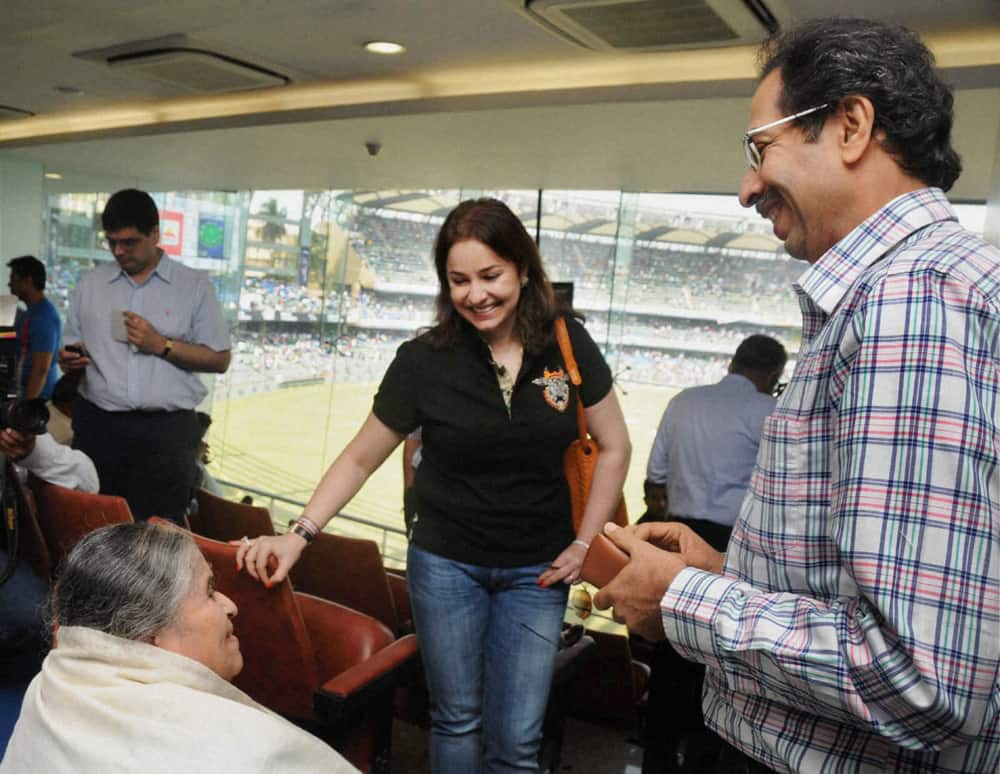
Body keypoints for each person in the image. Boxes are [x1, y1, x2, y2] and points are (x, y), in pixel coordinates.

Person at [594, 17, 999, 774]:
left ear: (851, 125)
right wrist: (725, 573)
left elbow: (922, 680)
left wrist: (684, 600)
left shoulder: (911, 303)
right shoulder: (902, 295)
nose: (747, 186)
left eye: (760, 148)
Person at [237, 198, 631, 772]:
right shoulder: (423, 359)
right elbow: (359, 457)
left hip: (537, 571)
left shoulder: (566, 342)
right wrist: (299, 533)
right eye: (459, 280)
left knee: (517, 740)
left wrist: (583, 543)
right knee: (456, 719)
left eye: (491, 276)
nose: (476, 295)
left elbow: (615, 445)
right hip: (446, 566)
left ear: (523, 268)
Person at [0, 521, 356, 773]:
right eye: (210, 591)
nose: (230, 605)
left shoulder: (50, 685)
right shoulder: (248, 751)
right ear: (151, 632)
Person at [639, 334, 785, 772]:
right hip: (732, 548)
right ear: (774, 374)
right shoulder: (770, 411)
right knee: (719, 666)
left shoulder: (685, 400)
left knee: (669, 657)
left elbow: (654, 478)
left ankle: (657, 760)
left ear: (732, 362)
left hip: (676, 536)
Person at [57, 188, 231, 523]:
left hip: (166, 433)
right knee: (93, 524)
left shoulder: (193, 286)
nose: (119, 251)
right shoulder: (91, 285)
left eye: (130, 242)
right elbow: (72, 347)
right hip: (99, 425)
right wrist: (70, 361)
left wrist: (161, 345)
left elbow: (219, 359)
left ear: (155, 233)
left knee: (158, 535)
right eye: (112, 242)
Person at [7, 255, 60, 400]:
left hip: (37, 401)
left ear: (28, 281)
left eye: (14, 279)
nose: (9, 284)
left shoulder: (44, 317)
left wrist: (27, 408)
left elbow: (41, 369)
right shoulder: (31, 313)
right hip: (21, 394)